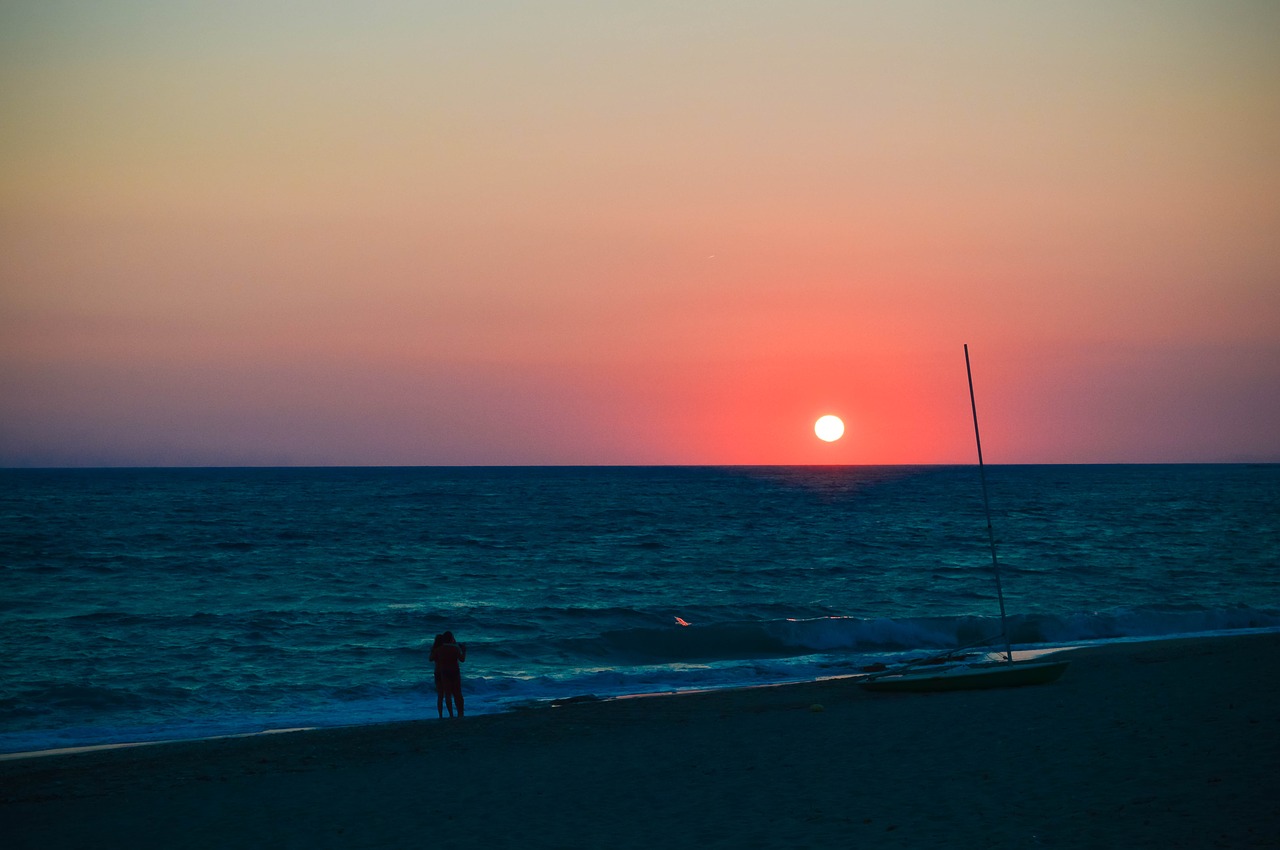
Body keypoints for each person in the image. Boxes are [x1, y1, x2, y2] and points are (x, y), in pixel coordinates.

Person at [429, 631, 467, 718]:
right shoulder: (455, 649)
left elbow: (431, 658)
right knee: (458, 693)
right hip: (455, 671)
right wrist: (464, 651)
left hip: (444, 672)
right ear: (451, 639)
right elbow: (462, 659)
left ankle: (451, 715)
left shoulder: (439, 649)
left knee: (447, 694)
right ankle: (460, 713)